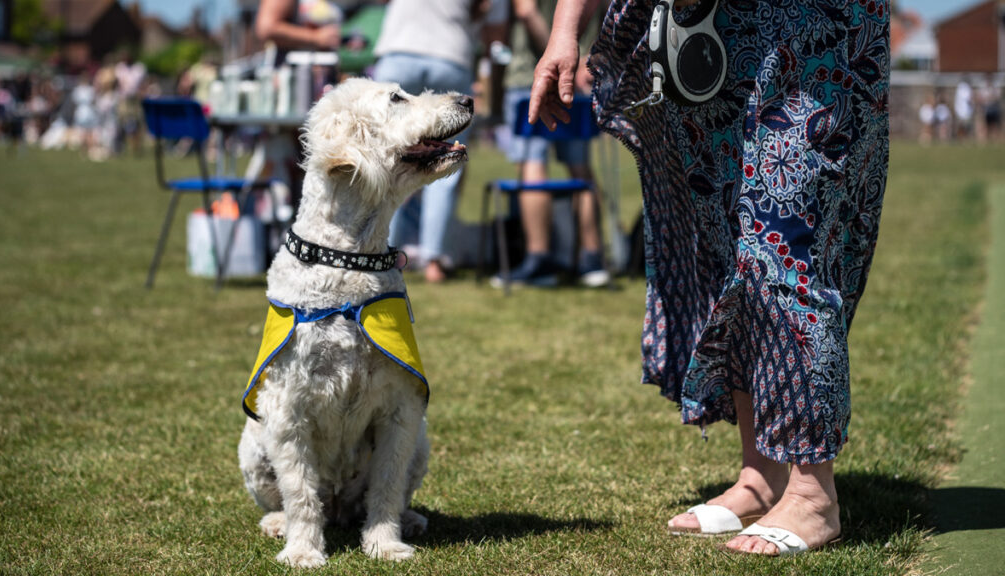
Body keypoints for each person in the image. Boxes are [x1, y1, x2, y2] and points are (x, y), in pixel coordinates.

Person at [531, 0, 889, 556]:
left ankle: (814, 494)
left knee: (782, 236)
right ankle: (761, 474)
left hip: (811, 33)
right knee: (729, 241)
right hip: (713, 33)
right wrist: (563, 31)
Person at [372, 0, 508, 283]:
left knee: (387, 160)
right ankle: (434, 260)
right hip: (450, 55)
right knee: (445, 165)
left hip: (399, 52)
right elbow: (496, 38)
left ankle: (384, 253)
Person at [493, 0, 610, 288]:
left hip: (533, 72)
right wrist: (587, 55)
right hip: (580, 74)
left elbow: (525, 9)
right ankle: (592, 259)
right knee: (580, 167)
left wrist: (558, 51)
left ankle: (539, 258)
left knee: (533, 165)